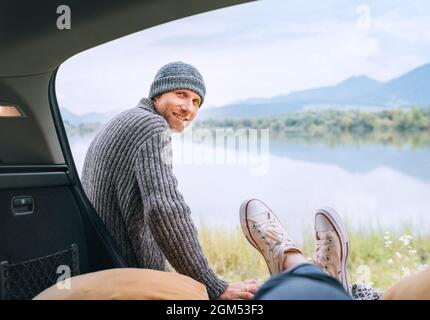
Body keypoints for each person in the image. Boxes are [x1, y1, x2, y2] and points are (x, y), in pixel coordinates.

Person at [81, 61, 258, 300]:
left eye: (196, 101)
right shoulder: (151, 126)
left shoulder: (124, 119)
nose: (189, 108)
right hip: (128, 278)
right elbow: (165, 210)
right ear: (158, 94)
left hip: (103, 266)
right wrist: (214, 285)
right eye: (181, 94)